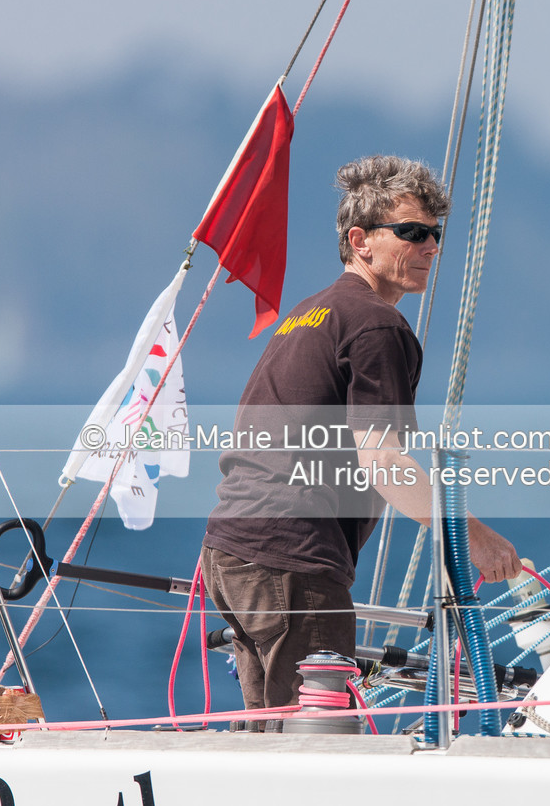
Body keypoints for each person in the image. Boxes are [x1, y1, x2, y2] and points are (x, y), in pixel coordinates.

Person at [201, 155, 520, 717]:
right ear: (360, 240)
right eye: (412, 233)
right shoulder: (376, 324)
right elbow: (385, 462)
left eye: (435, 234)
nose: (430, 247)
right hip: (291, 560)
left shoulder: (311, 312)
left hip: (234, 551)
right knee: (313, 745)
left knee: (274, 735)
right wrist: (474, 536)